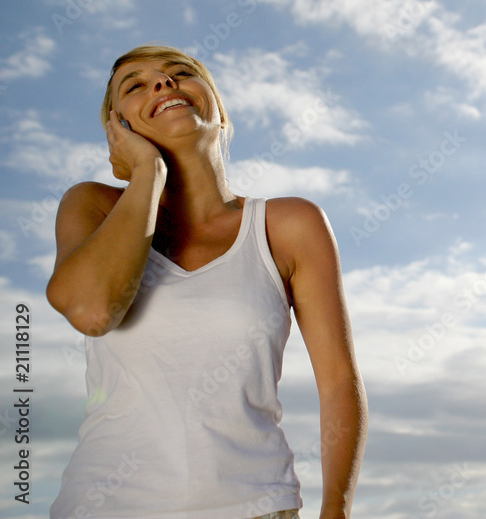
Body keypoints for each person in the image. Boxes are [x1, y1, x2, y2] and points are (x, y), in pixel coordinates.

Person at [46, 45, 367, 519]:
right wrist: (148, 172)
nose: (163, 83)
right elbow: (92, 311)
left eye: (180, 73)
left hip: (257, 506)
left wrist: (335, 512)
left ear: (219, 111)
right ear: (119, 129)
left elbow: (339, 382)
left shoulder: (289, 225)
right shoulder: (93, 206)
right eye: (135, 85)